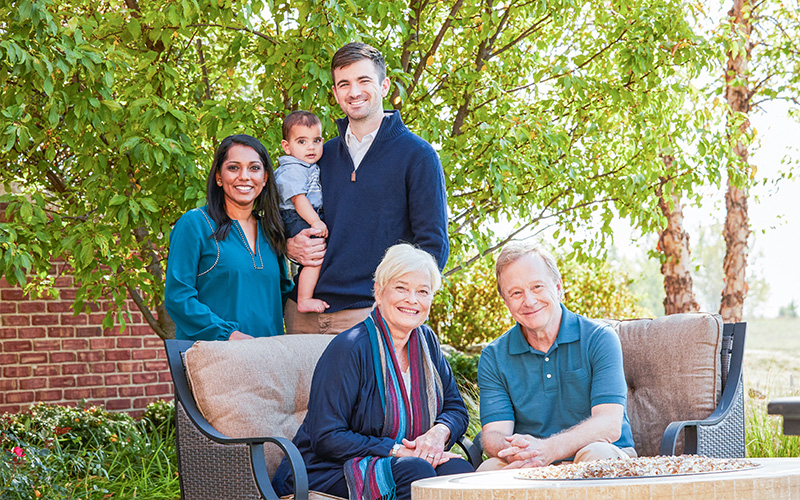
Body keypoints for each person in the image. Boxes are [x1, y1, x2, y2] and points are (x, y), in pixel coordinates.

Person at [272, 244, 473, 500]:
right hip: (326, 468)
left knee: (458, 470)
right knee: (415, 473)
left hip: (406, 461)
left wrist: (437, 435)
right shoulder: (350, 347)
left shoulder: (427, 343)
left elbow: (455, 408)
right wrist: (397, 450)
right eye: (401, 287)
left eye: (423, 291)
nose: (412, 299)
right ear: (379, 291)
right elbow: (327, 436)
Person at [284, 42, 449, 335]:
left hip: (369, 314)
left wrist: (396, 306)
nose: (354, 91)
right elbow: (284, 209)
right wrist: (289, 244)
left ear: (384, 85)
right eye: (344, 84)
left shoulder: (418, 155)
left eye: (364, 81)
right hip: (303, 314)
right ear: (335, 94)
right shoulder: (319, 155)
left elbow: (432, 246)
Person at [477, 242, 636, 470]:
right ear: (505, 302)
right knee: (489, 470)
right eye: (516, 293)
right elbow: (494, 433)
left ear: (559, 287)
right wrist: (523, 452)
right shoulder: (493, 357)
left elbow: (608, 425)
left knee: (597, 455)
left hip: (600, 452)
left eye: (537, 287)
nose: (529, 301)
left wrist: (549, 449)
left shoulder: (599, 338)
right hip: (533, 462)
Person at [165, 134, 293, 341]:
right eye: (234, 167)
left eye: (254, 168)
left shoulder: (271, 230)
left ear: (265, 177)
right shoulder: (195, 224)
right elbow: (178, 297)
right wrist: (229, 334)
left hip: (268, 360)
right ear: (218, 176)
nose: (244, 176)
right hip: (216, 358)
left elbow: (284, 296)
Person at [274, 110, 329, 314]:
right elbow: (298, 200)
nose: (311, 147)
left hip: (306, 213)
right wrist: (316, 222)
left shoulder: (308, 166)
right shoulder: (292, 168)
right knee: (314, 256)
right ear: (286, 147)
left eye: (316, 140)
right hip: (295, 215)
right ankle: (304, 299)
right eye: (302, 141)